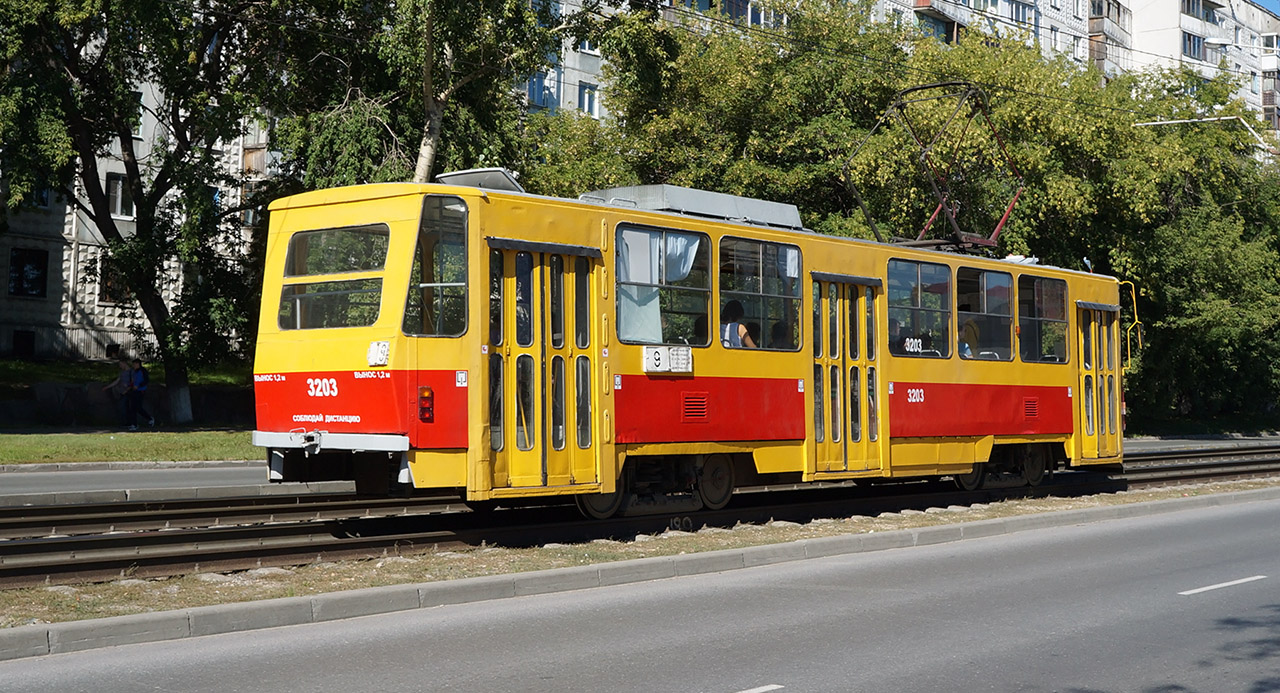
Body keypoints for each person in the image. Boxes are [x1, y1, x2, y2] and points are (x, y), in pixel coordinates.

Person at [101, 359, 131, 427]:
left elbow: (133, 383)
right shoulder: (122, 372)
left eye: (121, 364)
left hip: (128, 392)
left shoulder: (131, 372)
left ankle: (127, 423)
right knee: (121, 407)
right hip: (121, 392)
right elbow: (117, 381)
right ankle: (124, 422)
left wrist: (127, 389)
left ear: (124, 363)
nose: (120, 366)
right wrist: (107, 387)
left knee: (124, 407)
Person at [127, 358, 155, 431]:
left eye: (134, 364)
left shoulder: (142, 371)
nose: (133, 366)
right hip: (134, 391)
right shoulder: (134, 372)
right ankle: (134, 424)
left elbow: (146, 380)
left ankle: (148, 418)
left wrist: (139, 386)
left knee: (137, 407)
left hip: (140, 391)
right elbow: (134, 380)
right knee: (133, 408)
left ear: (137, 364)